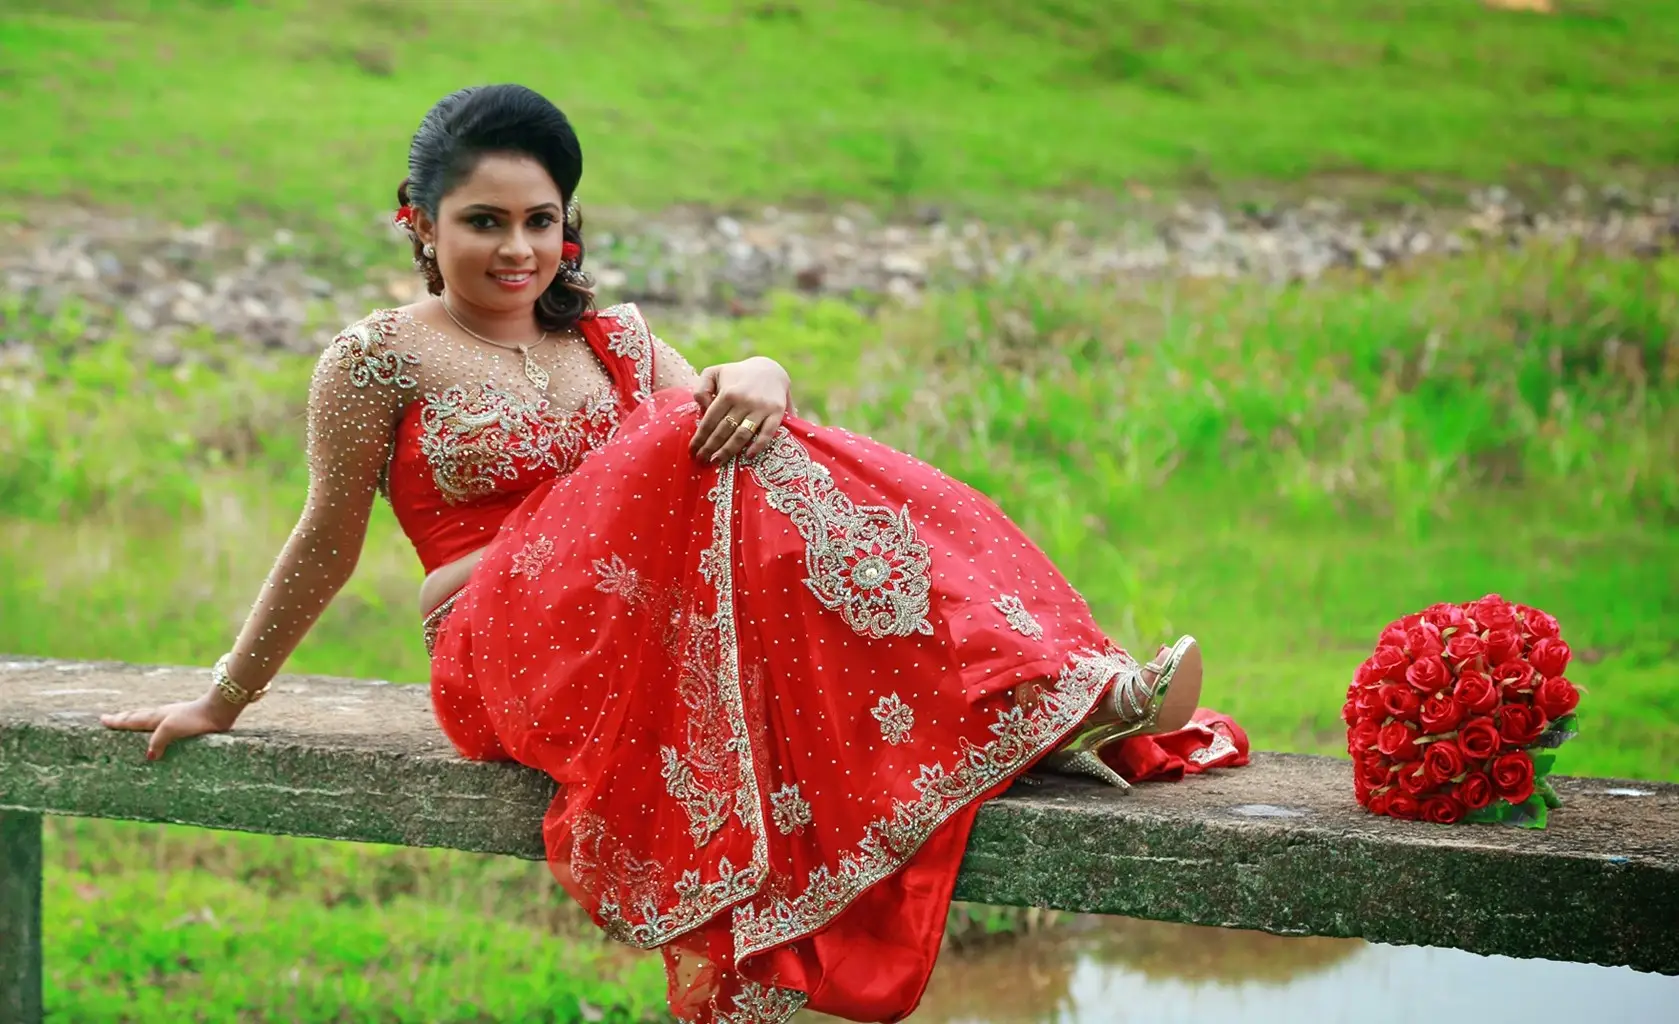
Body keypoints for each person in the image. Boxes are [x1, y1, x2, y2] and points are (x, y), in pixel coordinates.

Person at [100, 85, 1206, 1024]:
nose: (519, 249)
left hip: (643, 633)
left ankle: (1043, 695)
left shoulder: (609, 339)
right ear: (416, 222)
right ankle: (1047, 696)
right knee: (687, 435)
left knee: (745, 440)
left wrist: (762, 367)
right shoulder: (376, 361)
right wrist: (221, 697)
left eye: (541, 221)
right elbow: (326, 540)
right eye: (484, 222)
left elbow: (732, 433)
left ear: (567, 224)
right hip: (504, 652)